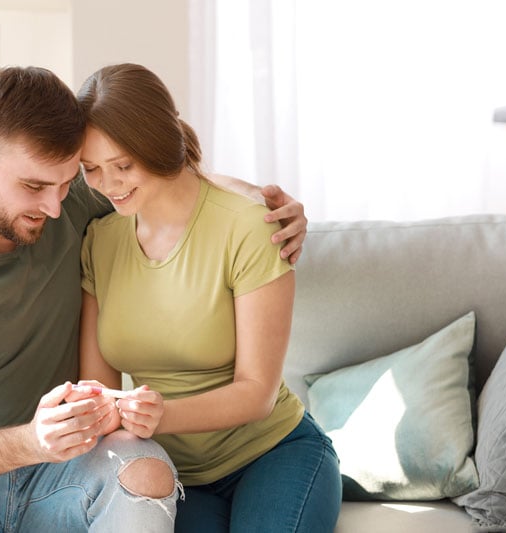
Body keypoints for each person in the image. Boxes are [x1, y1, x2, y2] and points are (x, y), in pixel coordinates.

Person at [0, 66, 309, 533]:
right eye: (33, 186)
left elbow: (160, 177)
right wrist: (29, 442)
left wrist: (265, 202)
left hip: (64, 467)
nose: (54, 207)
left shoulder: (73, 205)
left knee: (145, 470)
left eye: (70, 179)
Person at [76, 63, 342, 533]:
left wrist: (160, 416)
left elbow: (257, 393)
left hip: (273, 454)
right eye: (91, 169)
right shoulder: (100, 239)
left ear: (160, 144)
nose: (108, 184)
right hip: (172, 473)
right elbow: (100, 390)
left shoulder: (250, 228)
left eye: (123, 165)